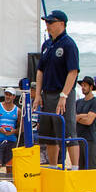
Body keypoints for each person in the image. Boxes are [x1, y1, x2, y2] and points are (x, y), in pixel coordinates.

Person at [34, 10, 80, 167]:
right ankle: (53, 166)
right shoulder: (47, 44)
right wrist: (38, 94)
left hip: (62, 93)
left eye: (51, 22)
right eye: (46, 22)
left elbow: (73, 72)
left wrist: (64, 95)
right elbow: (40, 70)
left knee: (68, 132)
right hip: (47, 93)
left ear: (62, 24)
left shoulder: (69, 44)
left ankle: (75, 168)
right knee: (48, 134)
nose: (47, 25)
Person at [0, 89, 20, 175]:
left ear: (14, 97)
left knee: (9, 168)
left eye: (10, 95)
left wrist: (14, 131)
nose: (8, 96)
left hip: (12, 141)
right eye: (6, 94)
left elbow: (22, 129)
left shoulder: (17, 110)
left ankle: (8, 187)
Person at [75, 76, 96, 170]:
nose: (83, 87)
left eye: (85, 85)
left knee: (91, 167)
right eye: (82, 85)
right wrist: (83, 116)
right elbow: (72, 118)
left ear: (91, 87)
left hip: (89, 139)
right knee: (80, 168)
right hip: (78, 138)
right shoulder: (78, 102)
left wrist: (78, 117)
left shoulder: (95, 102)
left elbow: (89, 121)